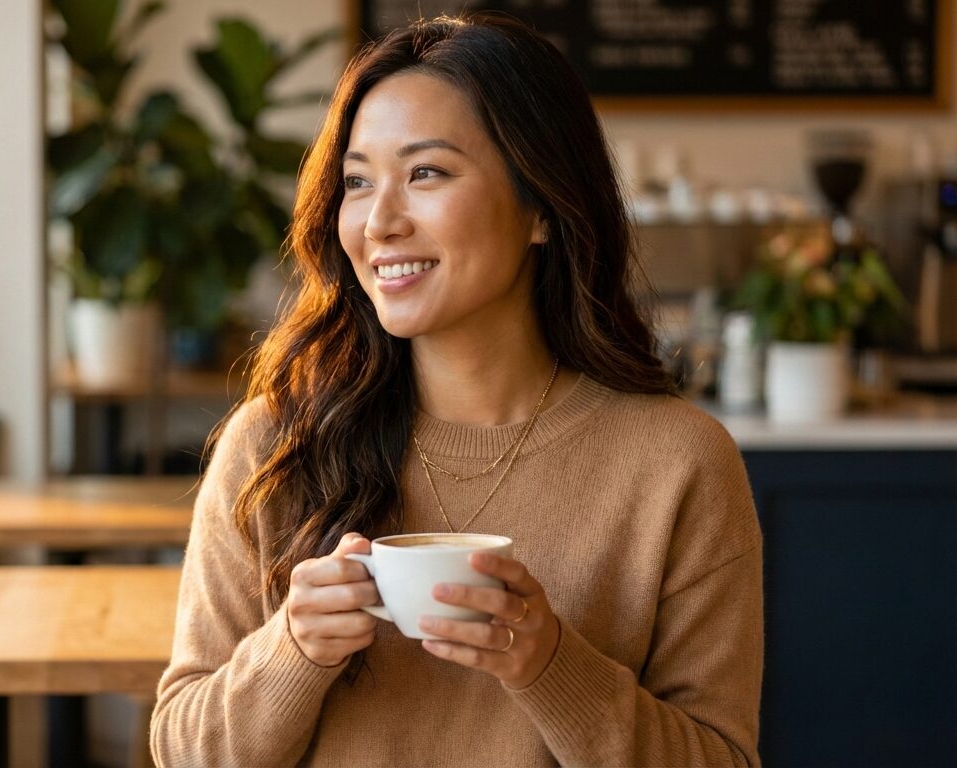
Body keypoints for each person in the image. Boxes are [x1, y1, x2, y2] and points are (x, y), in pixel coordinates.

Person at [150, 14, 762, 767]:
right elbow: (183, 749)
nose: (380, 222)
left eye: (427, 173)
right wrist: (293, 651)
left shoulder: (680, 464)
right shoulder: (274, 445)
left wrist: (548, 665)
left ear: (540, 206)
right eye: (357, 182)